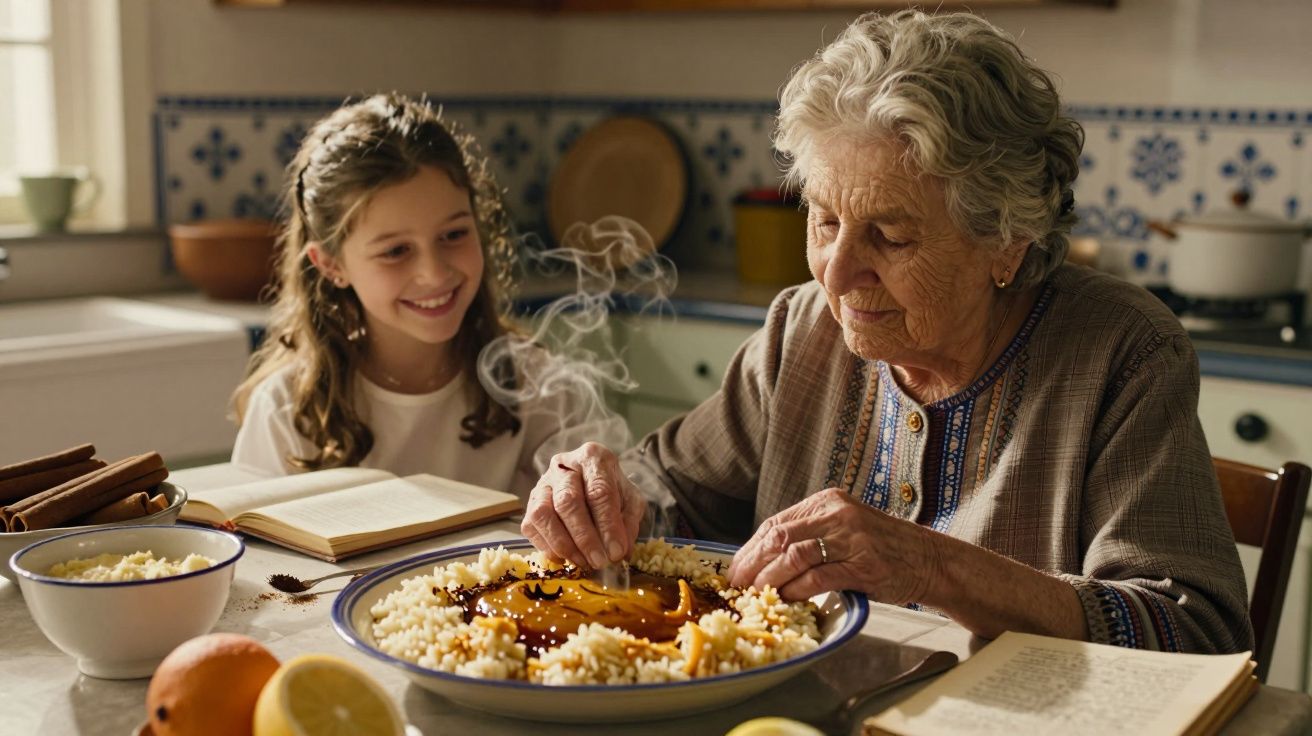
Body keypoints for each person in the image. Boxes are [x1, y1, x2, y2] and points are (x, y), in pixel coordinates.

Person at [520, 11, 1252, 654]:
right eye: (825, 221)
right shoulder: (802, 329)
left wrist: (933, 566)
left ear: (1007, 242)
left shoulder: (1123, 352)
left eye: (892, 237)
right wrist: (602, 496)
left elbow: (1196, 636)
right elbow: (673, 493)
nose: (836, 275)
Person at [231, 93, 623, 498]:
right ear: (332, 265)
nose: (434, 273)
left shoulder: (541, 389)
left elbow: (615, 517)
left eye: (454, 235)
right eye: (395, 251)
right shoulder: (284, 412)